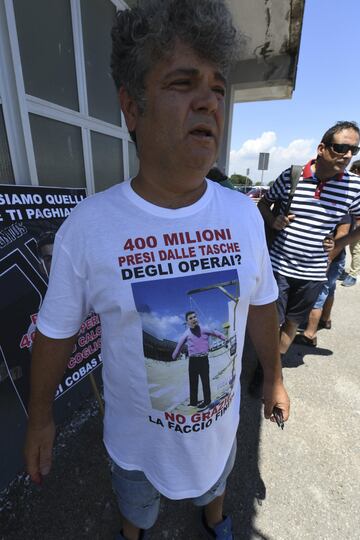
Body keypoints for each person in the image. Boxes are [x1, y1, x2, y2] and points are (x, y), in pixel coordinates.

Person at [24, 2, 289, 539]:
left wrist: (276, 378)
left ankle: (216, 522)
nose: (209, 102)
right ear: (131, 107)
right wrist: (41, 417)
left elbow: (260, 303)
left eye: (217, 87)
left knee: (216, 485)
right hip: (136, 448)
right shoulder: (89, 227)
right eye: (182, 82)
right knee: (137, 508)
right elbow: (56, 331)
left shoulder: (242, 214)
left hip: (220, 430)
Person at [257, 121, 360, 358]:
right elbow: (264, 204)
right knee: (272, 322)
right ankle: (267, 370)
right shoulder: (292, 176)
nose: (347, 155)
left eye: (353, 151)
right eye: (340, 148)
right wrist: (274, 220)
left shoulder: (354, 187)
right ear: (321, 148)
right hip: (278, 266)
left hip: (314, 272)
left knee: (292, 324)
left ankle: (274, 367)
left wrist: (339, 243)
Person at [294, 217, 351, 346]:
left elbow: (342, 233)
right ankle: (325, 319)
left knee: (319, 294)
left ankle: (310, 333)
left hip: (330, 259)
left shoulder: (342, 207)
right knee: (329, 289)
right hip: (337, 258)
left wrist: (328, 260)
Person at [172, 311, 226, 409]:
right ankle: (193, 402)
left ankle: (207, 401)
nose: (194, 319)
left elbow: (216, 333)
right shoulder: (186, 334)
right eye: (190, 318)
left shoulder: (204, 329)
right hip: (193, 361)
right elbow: (179, 345)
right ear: (187, 322)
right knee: (193, 382)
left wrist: (225, 338)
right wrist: (174, 356)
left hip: (203, 360)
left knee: (205, 381)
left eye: (195, 317)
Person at [341, 160, 360, 287]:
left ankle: (353, 275)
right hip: (346, 220)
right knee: (340, 245)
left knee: (356, 248)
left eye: (354, 170)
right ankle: (341, 270)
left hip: (357, 222)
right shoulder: (349, 183)